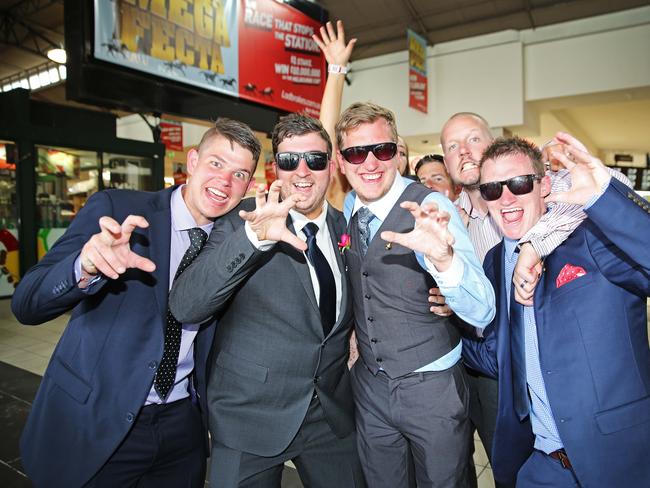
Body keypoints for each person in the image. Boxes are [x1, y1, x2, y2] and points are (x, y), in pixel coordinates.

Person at [11, 118, 261, 488]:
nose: (225, 181)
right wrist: (85, 266)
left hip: (182, 426)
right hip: (96, 418)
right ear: (192, 162)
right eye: (216, 163)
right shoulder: (119, 209)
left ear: (249, 186)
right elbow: (27, 302)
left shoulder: (237, 240)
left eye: (240, 173)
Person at [169, 114, 365, 488]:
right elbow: (187, 306)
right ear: (276, 167)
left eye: (316, 160)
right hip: (250, 417)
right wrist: (253, 239)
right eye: (290, 160)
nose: (303, 171)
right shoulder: (239, 221)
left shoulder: (349, 228)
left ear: (332, 165)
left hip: (330, 414)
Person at [462, 134, 650, 487]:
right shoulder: (493, 261)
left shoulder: (592, 236)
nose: (505, 198)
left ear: (544, 184)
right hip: (542, 465)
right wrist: (434, 328)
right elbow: (500, 354)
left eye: (518, 183)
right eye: (491, 190)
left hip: (620, 459)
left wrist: (603, 198)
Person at [335, 101, 495, 488]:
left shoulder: (432, 206)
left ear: (398, 155)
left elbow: (483, 310)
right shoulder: (351, 204)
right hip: (371, 385)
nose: (370, 163)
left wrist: (444, 260)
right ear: (341, 162)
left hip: (432, 388)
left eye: (382, 150)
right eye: (356, 152)